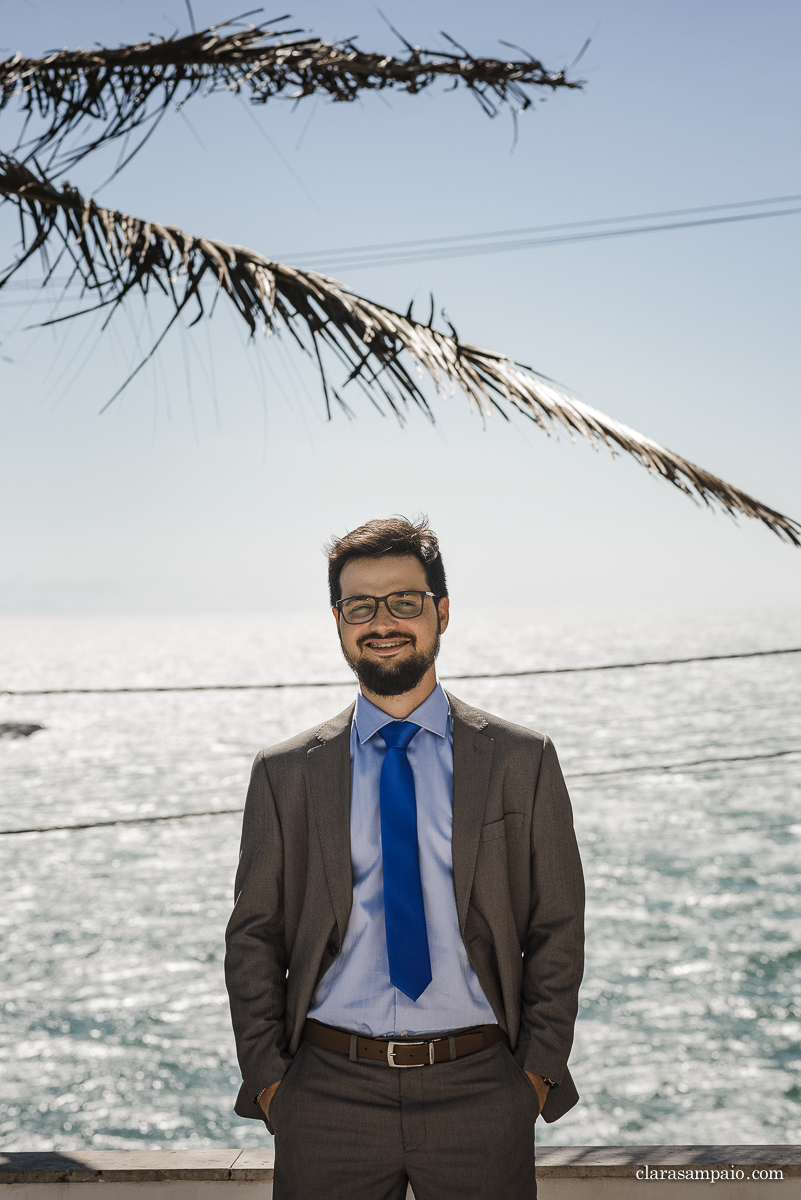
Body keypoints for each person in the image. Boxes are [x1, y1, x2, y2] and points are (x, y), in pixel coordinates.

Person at [225, 516, 585, 1200]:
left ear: (440, 612)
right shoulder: (284, 774)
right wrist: (273, 1084)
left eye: (403, 601)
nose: (381, 621)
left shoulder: (520, 760)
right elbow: (253, 936)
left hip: (480, 1088)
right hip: (327, 1094)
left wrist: (532, 1078)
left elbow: (557, 926)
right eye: (360, 605)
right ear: (338, 620)